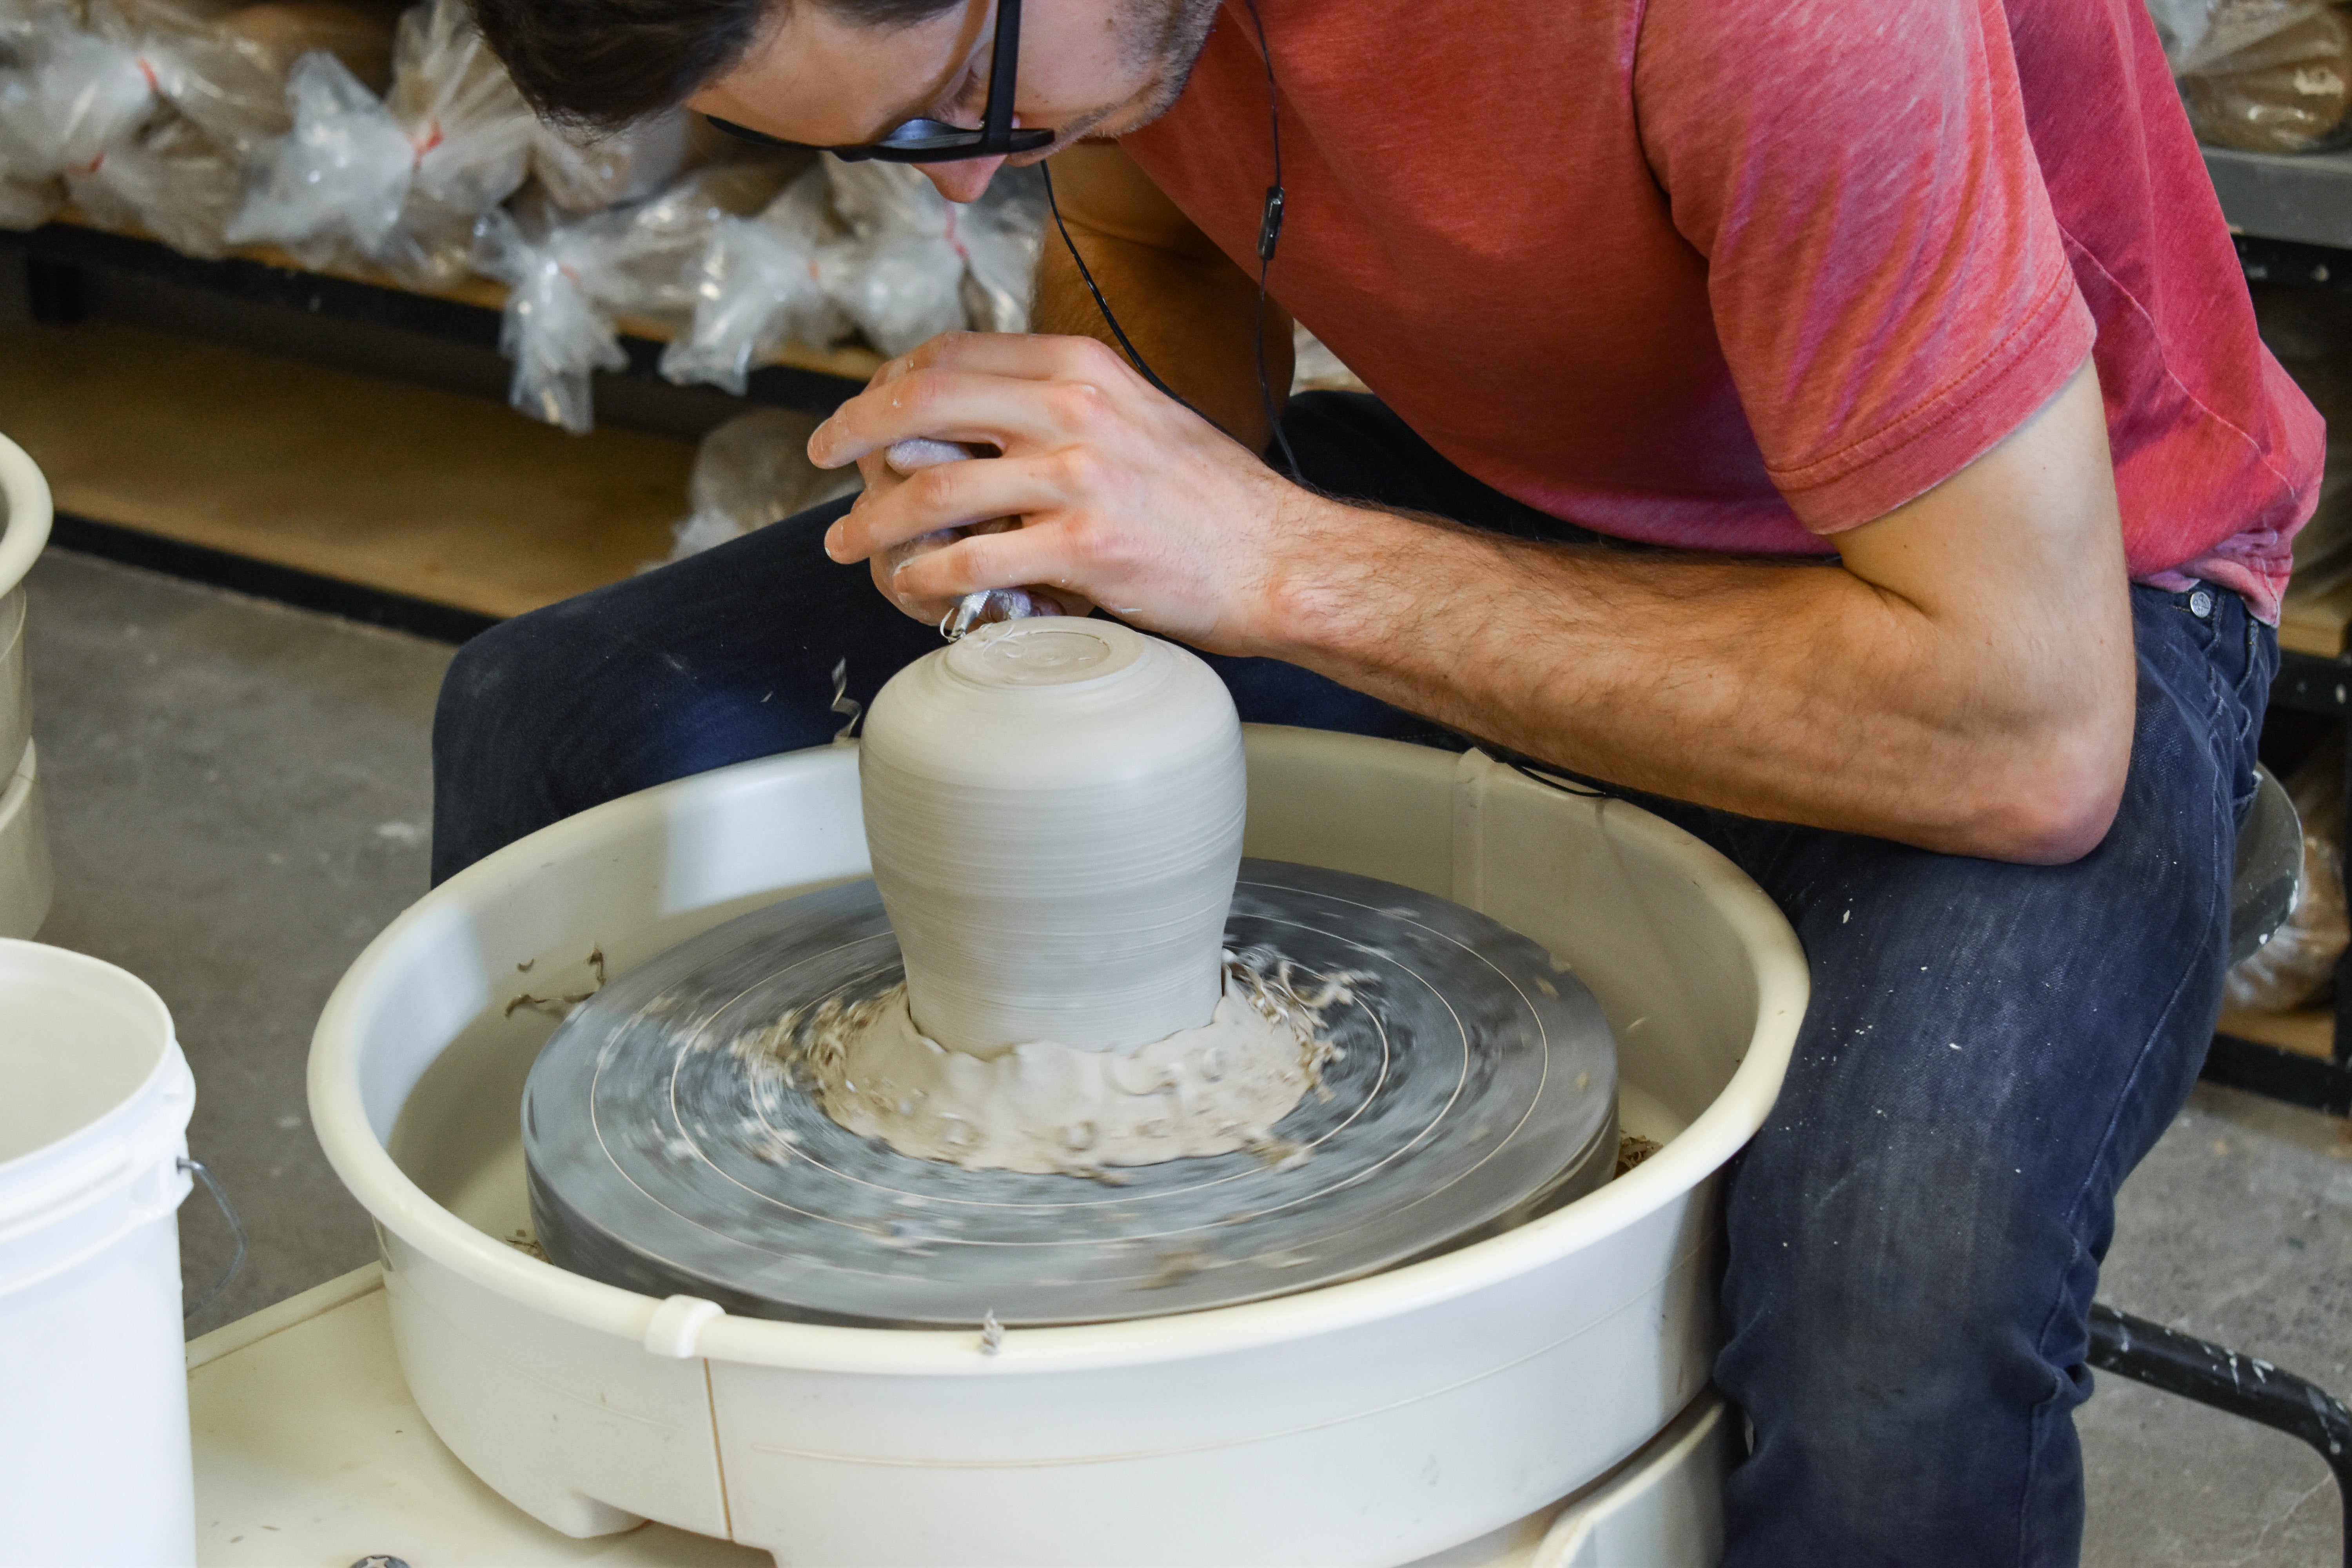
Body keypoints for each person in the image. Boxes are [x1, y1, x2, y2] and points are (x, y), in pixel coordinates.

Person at [434, 0, 2319, 1559]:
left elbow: (2025, 727)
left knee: (1890, 1284)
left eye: (960, 101)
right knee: (562, 723)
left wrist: (1278, 565)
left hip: (2025, 594)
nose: (989, 170)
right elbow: (1160, 230)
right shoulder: (1096, 31)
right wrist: (1086, 567)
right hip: (1530, 487)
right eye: (909, 141)